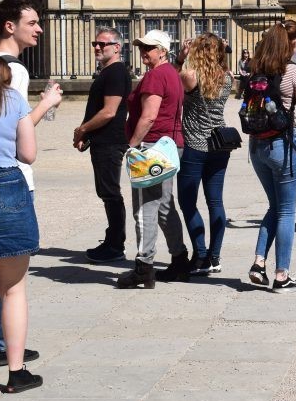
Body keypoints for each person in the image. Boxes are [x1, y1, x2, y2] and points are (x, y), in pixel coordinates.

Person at [0, 53, 59, 394]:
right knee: (13, 289)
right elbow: (28, 154)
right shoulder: (13, 100)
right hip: (5, 186)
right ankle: (15, 371)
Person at [0, 0, 61, 369]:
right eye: (32, 22)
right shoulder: (15, 71)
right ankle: (3, 343)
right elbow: (17, 131)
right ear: (9, 26)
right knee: (11, 273)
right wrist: (47, 103)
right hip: (10, 176)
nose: (40, 29)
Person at [117, 30, 189, 289]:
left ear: (162, 51)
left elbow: (148, 116)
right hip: (170, 145)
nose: (143, 51)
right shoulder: (171, 73)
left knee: (145, 208)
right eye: (142, 46)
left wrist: (131, 145)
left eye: (149, 47)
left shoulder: (156, 76)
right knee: (164, 205)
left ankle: (144, 268)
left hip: (152, 146)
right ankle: (180, 259)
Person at [247, 21, 296, 292]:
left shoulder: (255, 71)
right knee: (286, 211)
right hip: (282, 146)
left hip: (257, 146)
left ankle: (258, 262)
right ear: (293, 44)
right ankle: (282, 275)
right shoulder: (294, 72)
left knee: (274, 207)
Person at [175, 33, 234, 276]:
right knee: (215, 201)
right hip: (220, 145)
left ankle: (200, 255)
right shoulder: (227, 78)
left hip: (195, 145)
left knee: (187, 201)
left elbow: (175, 76)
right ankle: (215, 256)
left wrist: (183, 55)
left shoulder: (191, 76)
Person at [75, 27, 131, 262]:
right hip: (101, 141)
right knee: (106, 191)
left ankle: (115, 244)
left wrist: (83, 129)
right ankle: (113, 240)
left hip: (110, 141)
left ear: (117, 48)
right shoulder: (106, 73)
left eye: (103, 44)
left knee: (110, 192)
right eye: (95, 44)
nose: (97, 47)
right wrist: (85, 132)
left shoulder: (116, 72)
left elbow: (109, 112)